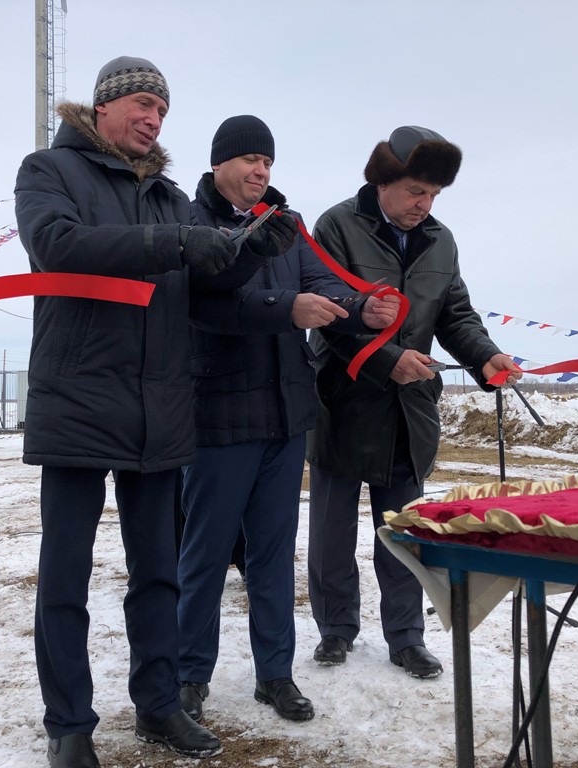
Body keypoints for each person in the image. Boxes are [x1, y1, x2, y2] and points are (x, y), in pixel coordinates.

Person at [14, 59, 297, 767]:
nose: (153, 119)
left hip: (161, 404)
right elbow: (58, 245)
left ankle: (160, 705)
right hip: (80, 398)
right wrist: (174, 243)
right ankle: (69, 725)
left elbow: (199, 292)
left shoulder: (169, 195)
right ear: (104, 107)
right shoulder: (49, 171)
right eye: (143, 104)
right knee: (67, 576)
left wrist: (244, 254)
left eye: (163, 112)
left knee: (158, 573)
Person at [176, 116, 399, 724]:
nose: (261, 171)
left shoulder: (286, 225)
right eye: (249, 159)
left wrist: (361, 309)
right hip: (219, 415)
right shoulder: (192, 223)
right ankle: (189, 676)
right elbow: (207, 302)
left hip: (285, 417)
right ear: (219, 162)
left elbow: (322, 284)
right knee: (205, 553)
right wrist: (286, 308)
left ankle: (274, 674)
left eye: (268, 162)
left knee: (273, 555)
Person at [306, 125, 522, 679]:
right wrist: (384, 360)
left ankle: (405, 636)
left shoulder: (440, 240)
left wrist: (486, 358)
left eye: (434, 196)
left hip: (408, 407)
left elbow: (455, 315)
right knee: (333, 529)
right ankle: (336, 629)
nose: (423, 206)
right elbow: (330, 314)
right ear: (383, 181)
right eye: (415, 193)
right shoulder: (337, 226)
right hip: (341, 400)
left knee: (403, 529)